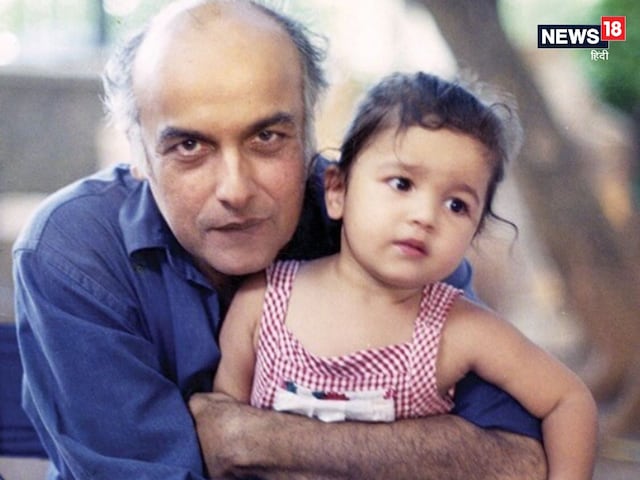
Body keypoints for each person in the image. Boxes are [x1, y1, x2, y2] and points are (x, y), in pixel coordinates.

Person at [13, 0, 545, 478]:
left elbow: (517, 460)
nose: (235, 190)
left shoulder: (392, 229)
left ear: (312, 133)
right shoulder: (73, 252)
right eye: (190, 147)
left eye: (267, 137)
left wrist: (249, 439)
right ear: (139, 155)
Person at [213, 72, 598, 479]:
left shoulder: (458, 329)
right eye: (402, 183)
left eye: (456, 205)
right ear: (337, 190)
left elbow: (568, 401)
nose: (425, 216)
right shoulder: (263, 300)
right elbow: (222, 435)